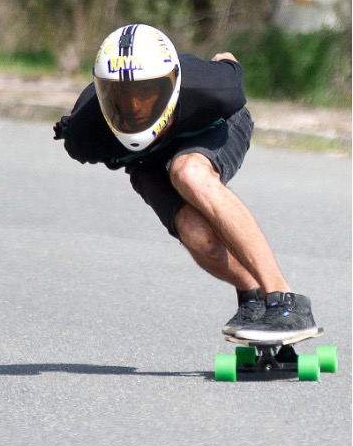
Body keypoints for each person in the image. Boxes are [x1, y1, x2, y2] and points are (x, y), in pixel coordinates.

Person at [53, 23, 318, 342]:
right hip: (145, 161)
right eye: (120, 98)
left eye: (146, 93)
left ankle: (285, 303)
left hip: (211, 126)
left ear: (172, 85)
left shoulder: (211, 88)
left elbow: (227, 59)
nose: (134, 108)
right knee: (195, 234)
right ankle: (253, 295)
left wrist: (222, 61)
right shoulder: (86, 133)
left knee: (188, 172)